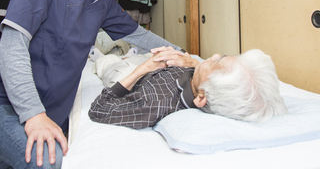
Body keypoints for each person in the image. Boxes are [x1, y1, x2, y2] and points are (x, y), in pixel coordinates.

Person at [0, 0, 183, 169]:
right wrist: (34, 114)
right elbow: (11, 48)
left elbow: (140, 36)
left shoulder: (102, 2)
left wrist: (182, 54)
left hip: (53, 111)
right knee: (48, 161)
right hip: (10, 105)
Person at [88, 47, 288, 129]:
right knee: (137, 53)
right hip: (160, 66)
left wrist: (142, 69)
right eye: (225, 56)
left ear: (201, 97)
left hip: (132, 74)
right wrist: (192, 63)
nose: (215, 56)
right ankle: (128, 53)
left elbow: (99, 110)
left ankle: (101, 58)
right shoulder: (203, 81)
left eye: (216, 63)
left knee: (111, 65)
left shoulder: (154, 104)